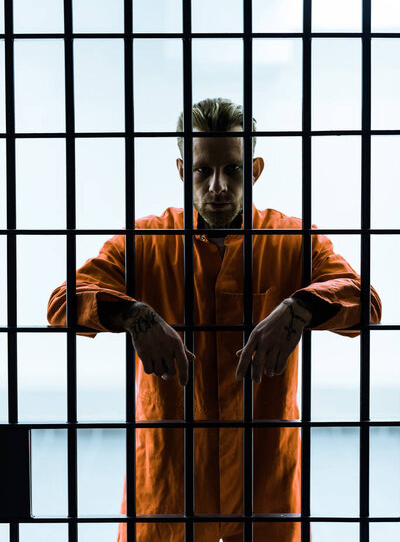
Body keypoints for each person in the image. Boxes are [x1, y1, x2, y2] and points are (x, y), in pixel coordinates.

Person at [47, 97, 382, 542]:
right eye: (203, 170)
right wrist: (135, 314)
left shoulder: (292, 241)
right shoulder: (145, 242)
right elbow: (62, 303)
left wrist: (300, 307)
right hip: (168, 495)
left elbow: (366, 303)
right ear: (184, 171)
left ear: (256, 169)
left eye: (234, 169)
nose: (218, 186)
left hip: (264, 492)